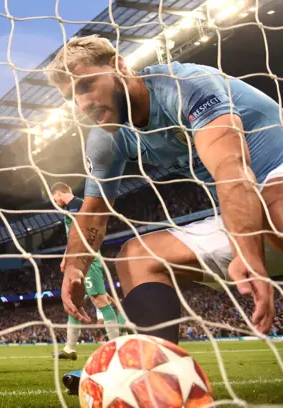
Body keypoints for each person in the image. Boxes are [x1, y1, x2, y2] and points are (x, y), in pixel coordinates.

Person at [45, 35, 283, 344]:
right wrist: (75, 268)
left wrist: (246, 251)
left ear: (119, 66)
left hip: (269, 191)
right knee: (135, 259)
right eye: (71, 96)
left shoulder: (185, 86)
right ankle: (156, 375)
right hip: (247, 218)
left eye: (86, 86)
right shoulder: (107, 138)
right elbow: (93, 212)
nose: (81, 104)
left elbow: (231, 168)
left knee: (274, 207)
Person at [51, 182, 119, 360]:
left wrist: (80, 258)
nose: (54, 202)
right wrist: (66, 258)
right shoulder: (69, 211)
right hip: (76, 260)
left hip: (87, 259)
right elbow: (73, 238)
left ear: (59, 193)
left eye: (54, 198)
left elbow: (91, 234)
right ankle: (69, 349)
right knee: (74, 302)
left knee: (100, 299)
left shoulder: (81, 206)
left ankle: (116, 347)